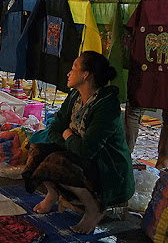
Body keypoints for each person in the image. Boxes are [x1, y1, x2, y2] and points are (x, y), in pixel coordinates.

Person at [22, 51, 134, 234]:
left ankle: (94, 208)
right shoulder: (75, 96)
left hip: (108, 168)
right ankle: (53, 194)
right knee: (37, 150)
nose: (68, 73)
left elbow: (86, 150)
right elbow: (55, 129)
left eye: (73, 68)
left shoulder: (107, 107)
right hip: (81, 154)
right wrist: (68, 137)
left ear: (85, 75)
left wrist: (67, 135)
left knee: (56, 161)